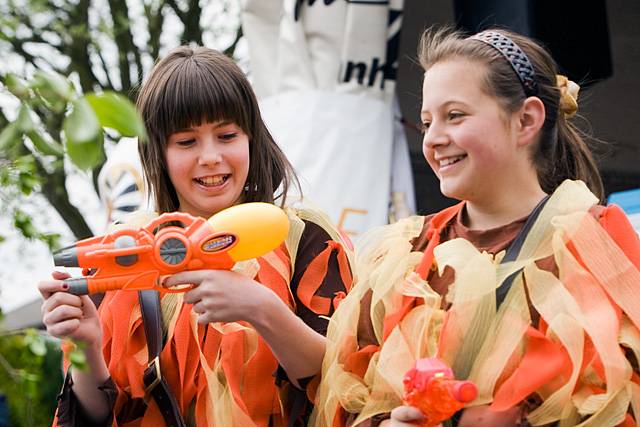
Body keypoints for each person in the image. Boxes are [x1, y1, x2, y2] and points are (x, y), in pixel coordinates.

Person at [312, 27, 640, 427]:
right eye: (427, 122)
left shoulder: (594, 244)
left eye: (455, 116)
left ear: (526, 120)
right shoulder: (404, 255)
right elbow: (349, 396)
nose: (433, 139)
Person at [39, 46, 352, 427]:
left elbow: (345, 378)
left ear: (252, 138)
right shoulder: (126, 251)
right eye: (186, 142)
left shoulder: (304, 236)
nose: (210, 157)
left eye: (227, 135)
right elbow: (95, 417)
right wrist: (87, 344)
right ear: (158, 154)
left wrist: (262, 308)